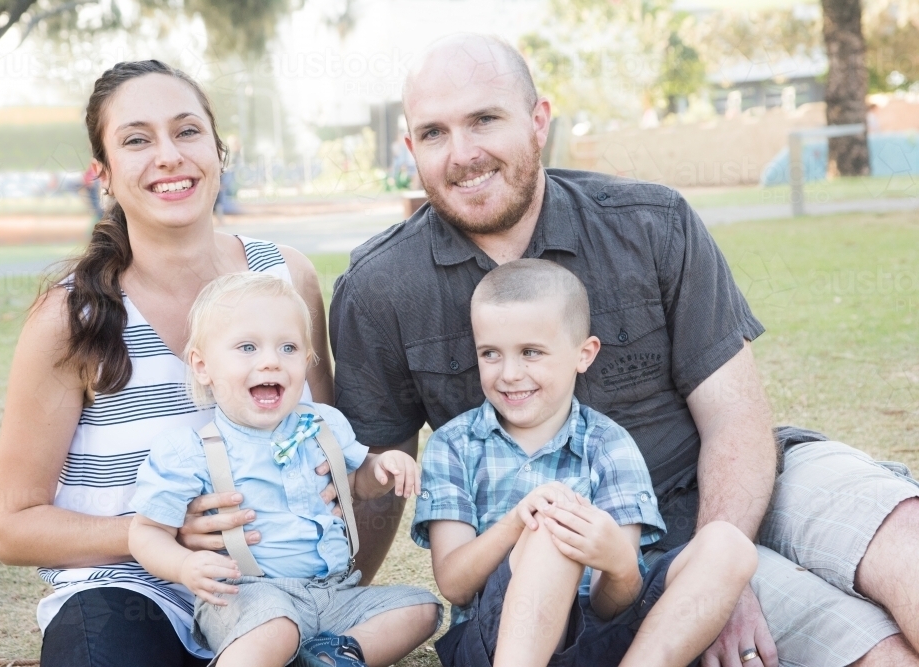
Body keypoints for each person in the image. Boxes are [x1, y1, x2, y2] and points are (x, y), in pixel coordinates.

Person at [329, 33, 919, 666]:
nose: (463, 154)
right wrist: (331, 606)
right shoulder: (380, 290)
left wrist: (721, 572)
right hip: (621, 562)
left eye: (484, 120)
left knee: (904, 541)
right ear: (411, 146)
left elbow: (735, 421)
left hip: (746, 485)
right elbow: (374, 472)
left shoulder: (651, 223)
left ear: (538, 122)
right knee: (882, 653)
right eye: (434, 133)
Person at [0, 61, 336, 666]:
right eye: (137, 140)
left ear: (218, 152)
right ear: (105, 174)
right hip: (126, 594)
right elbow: (12, 528)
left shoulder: (286, 279)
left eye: (187, 131)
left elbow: (323, 449)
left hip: (268, 598)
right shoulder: (72, 318)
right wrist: (154, 534)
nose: (169, 156)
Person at [413, 259, 757, 667]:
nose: (509, 373)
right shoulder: (453, 445)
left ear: (584, 354)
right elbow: (454, 584)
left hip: (599, 639)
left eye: (530, 352)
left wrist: (619, 564)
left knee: (728, 544)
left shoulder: (610, 445)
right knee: (552, 525)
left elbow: (614, 605)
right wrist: (520, 522)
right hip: (496, 639)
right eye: (490, 354)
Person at [128, 272, 441, 667]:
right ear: (203, 366)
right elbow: (146, 532)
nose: (271, 361)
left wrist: (381, 469)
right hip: (248, 597)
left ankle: (332, 656)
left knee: (420, 608)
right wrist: (185, 565)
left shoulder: (323, 425)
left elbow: (355, 486)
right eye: (247, 347)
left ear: (307, 361)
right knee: (275, 628)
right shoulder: (190, 449)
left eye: (288, 347)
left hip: (335, 593)